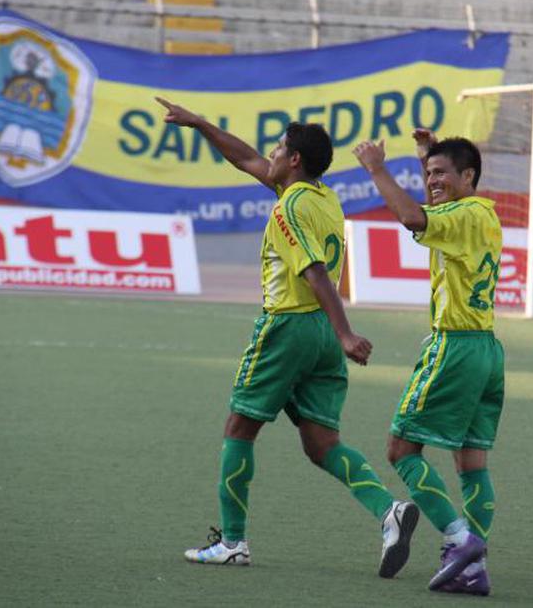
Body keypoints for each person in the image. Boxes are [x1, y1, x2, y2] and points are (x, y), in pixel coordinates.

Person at [157, 97, 419, 578]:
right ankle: (389, 511)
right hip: (320, 335)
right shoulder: (321, 196)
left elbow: (315, 271)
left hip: (291, 325)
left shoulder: (287, 210)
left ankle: (232, 542)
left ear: (293, 159)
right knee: (322, 443)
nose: (270, 154)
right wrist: (200, 123)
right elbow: (245, 158)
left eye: (278, 147)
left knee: (239, 429)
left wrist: (347, 333)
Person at [353, 130, 503, 596]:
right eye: (429, 173)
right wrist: (429, 156)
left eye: (441, 173)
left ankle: (459, 540)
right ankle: (474, 569)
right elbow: (434, 207)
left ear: (469, 176)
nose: (432, 179)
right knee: (471, 462)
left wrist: (378, 168)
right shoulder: (482, 213)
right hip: (487, 350)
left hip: (454, 346)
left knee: (401, 450)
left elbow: (411, 216)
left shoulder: (460, 214)